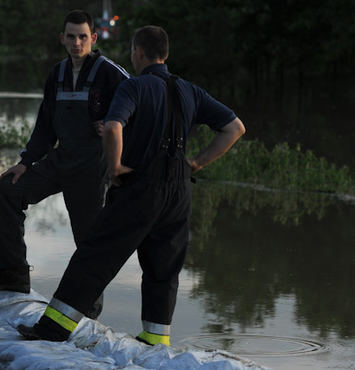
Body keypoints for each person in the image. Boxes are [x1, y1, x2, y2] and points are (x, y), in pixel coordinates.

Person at [17, 25, 246, 345]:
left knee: (95, 255)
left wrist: (114, 169)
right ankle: (155, 339)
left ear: (138, 52)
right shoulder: (192, 91)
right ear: (165, 54)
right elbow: (234, 128)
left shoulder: (135, 87)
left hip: (140, 186)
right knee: (163, 267)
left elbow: (112, 128)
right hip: (180, 191)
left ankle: (53, 328)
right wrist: (196, 163)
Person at [0, 10, 129, 319]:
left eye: (83, 36)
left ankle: (89, 311)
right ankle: (14, 274)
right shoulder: (56, 74)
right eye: (70, 36)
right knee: (7, 191)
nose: (76, 42)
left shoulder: (109, 72)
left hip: (90, 166)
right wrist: (25, 161)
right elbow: (45, 125)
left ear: (93, 38)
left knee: (88, 240)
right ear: (62, 38)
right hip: (60, 159)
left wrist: (117, 124)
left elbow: (142, 102)